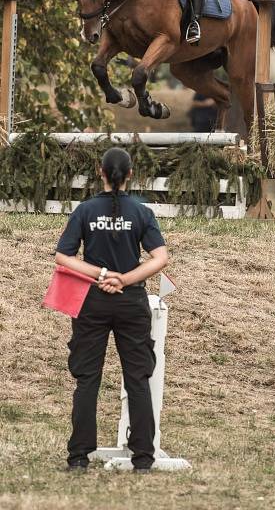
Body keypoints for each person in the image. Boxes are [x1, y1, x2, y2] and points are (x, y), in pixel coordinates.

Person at [55, 147, 168, 473]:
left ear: (100, 172)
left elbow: (63, 257)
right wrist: (125, 279)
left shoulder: (86, 211)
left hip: (92, 301)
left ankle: (78, 457)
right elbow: (160, 257)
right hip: (131, 301)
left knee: (87, 378)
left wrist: (100, 275)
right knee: (138, 379)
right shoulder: (141, 211)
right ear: (130, 175)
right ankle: (143, 459)